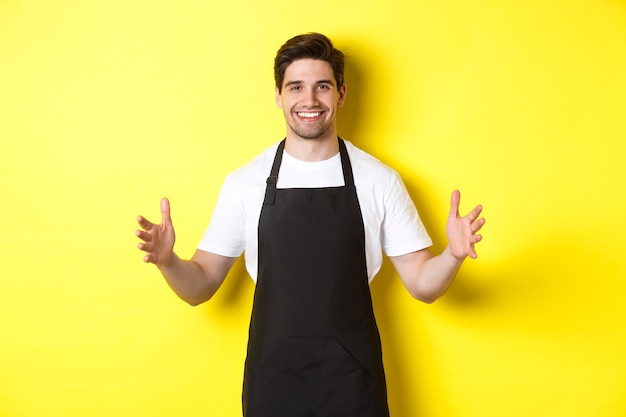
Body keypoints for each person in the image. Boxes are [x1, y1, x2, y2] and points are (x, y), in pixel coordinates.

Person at [136, 33, 484, 417]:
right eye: (296, 87)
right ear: (279, 96)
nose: (310, 100)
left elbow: (422, 284)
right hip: (273, 384)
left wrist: (453, 255)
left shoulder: (378, 180)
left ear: (341, 94)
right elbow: (200, 285)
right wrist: (168, 261)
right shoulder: (245, 183)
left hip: (353, 384)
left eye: (322, 86)